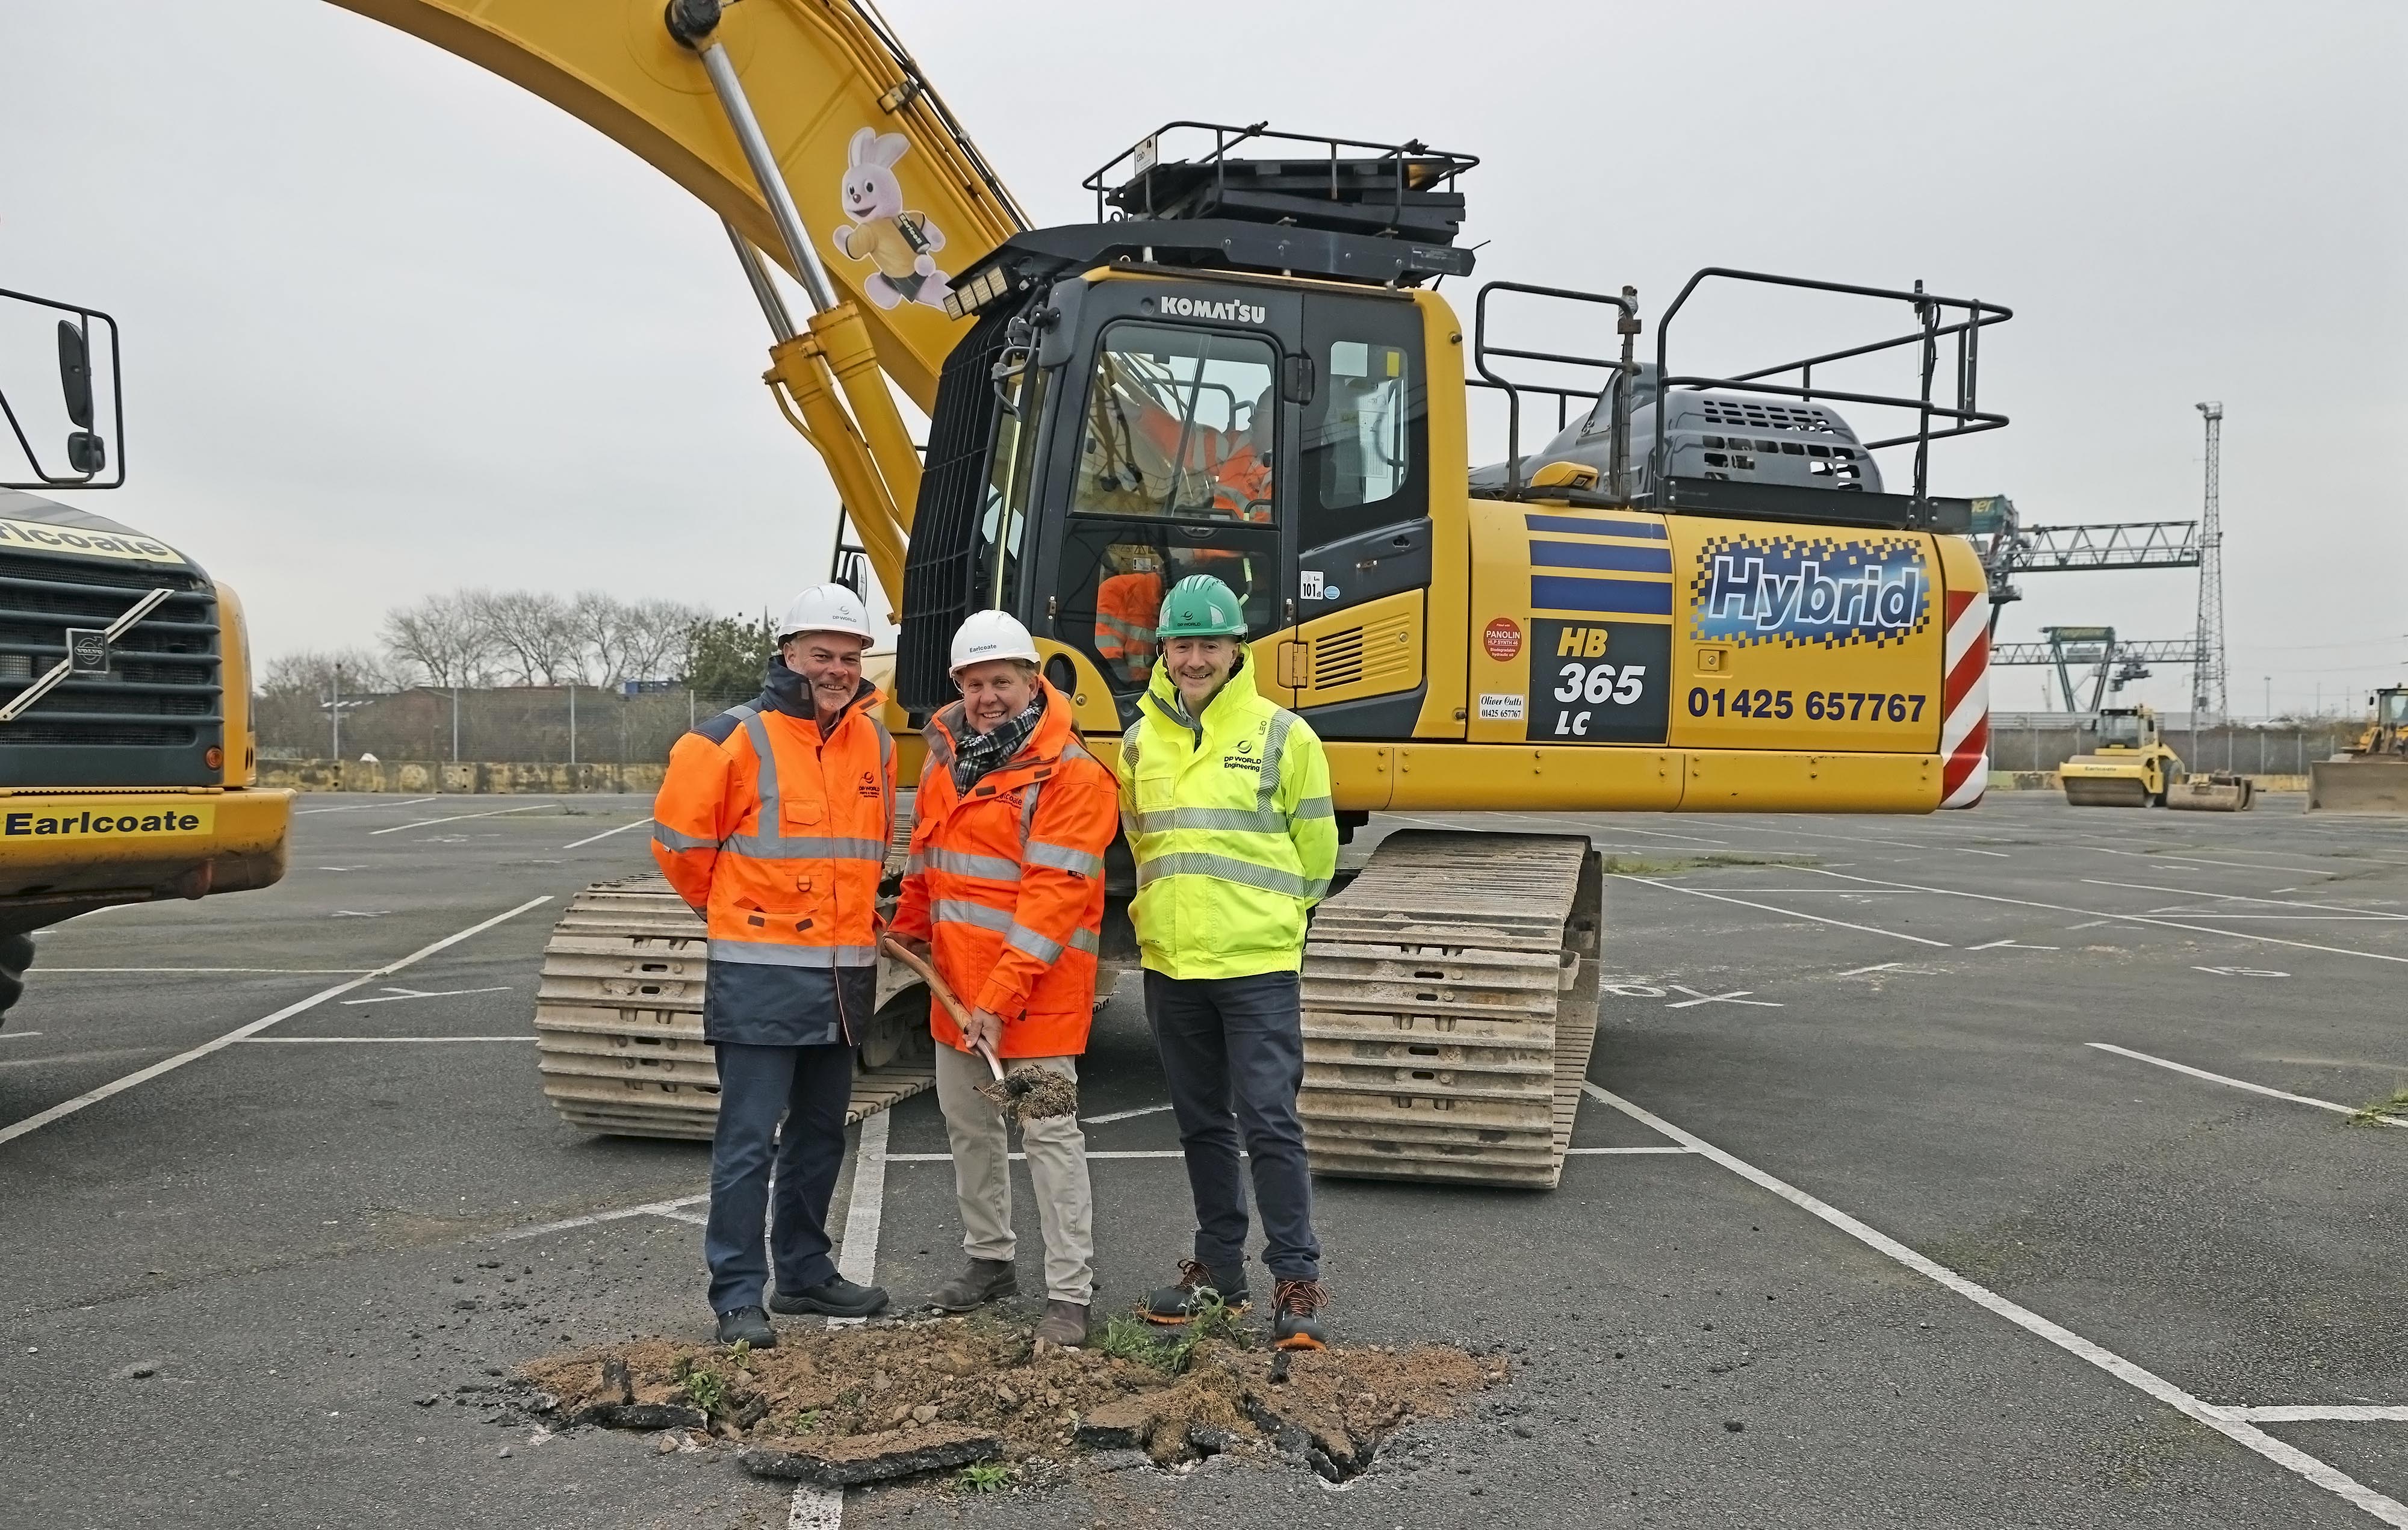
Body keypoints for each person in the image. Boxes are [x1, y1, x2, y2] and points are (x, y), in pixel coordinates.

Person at [650, 584, 896, 1348]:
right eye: (822, 654)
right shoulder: (724, 739)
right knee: (749, 1139)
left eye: (850, 657)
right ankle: (736, 1294)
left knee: (822, 1132)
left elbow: (870, 851)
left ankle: (803, 1271)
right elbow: (680, 850)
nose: (837, 668)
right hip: (759, 973)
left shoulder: (874, 745)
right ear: (788, 653)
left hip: (841, 976)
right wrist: (732, 913)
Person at [1116, 575, 1339, 1349]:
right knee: (1201, 1123)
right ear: (1164, 651)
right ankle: (1220, 1270)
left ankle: (1295, 1278)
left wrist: (1271, 923)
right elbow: (1144, 839)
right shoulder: (1140, 740)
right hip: (1172, 965)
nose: (1196, 657)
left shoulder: (1284, 735)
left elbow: (1317, 856)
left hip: (1255, 967)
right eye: (1184, 643)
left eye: (1211, 643)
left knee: (1270, 1121)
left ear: (1235, 649)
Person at [889, 611, 1116, 1348]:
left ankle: (1069, 1294)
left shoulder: (1073, 775)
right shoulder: (945, 761)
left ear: (1032, 681)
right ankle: (991, 1261)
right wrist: (908, 930)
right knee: (970, 1129)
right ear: (957, 685)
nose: (989, 696)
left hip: (1036, 1005)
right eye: (975, 682)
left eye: (1003, 681)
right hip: (957, 995)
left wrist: (997, 999)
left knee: (1049, 1135)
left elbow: (1052, 903)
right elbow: (928, 864)